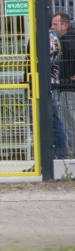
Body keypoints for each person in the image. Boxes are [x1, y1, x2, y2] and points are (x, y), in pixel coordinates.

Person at [52, 13, 75, 152]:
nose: (52, 27)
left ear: (65, 25)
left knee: (70, 124)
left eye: (55, 24)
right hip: (66, 87)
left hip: (69, 89)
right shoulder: (66, 40)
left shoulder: (68, 42)